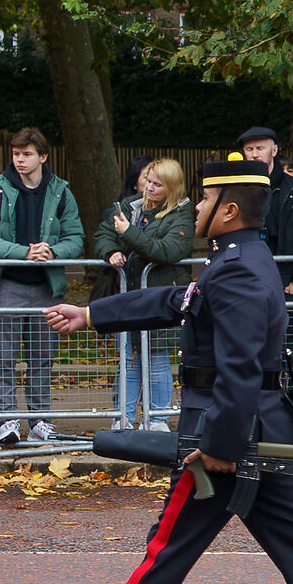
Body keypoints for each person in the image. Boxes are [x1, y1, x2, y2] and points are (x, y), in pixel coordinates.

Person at [37, 155, 293, 584]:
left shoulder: (236, 267)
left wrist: (218, 445)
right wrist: (92, 314)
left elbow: (238, 367)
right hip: (252, 426)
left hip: (229, 430)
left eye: (206, 201)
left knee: (169, 543)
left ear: (230, 209)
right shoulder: (242, 259)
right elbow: (175, 300)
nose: (195, 209)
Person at [0, 127, 84, 445]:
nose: (19, 160)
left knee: (41, 357)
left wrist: (52, 251)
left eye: (26, 154)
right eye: (16, 154)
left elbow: (76, 238)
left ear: (43, 156)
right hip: (6, 284)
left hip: (46, 287)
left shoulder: (61, 192)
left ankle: (39, 421)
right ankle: (6, 421)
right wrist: (25, 252)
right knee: (3, 357)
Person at [93, 157, 194, 428]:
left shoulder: (182, 213)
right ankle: (123, 418)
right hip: (129, 293)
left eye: (157, 184)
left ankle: (158, 419)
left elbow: (168, 251)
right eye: (148, 181)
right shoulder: (130, 205)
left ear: (171, 188)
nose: (148, 188)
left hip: (161, 298)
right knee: (128, 358)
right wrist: (110, 251)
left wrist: (127, 234)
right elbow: (104, 232)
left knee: (158, 360)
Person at [237, 127, 293, 299]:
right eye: (249, 149)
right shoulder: (236, 189)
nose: (254, 154)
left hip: (286, 279)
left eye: (260, 148)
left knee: (288, 325)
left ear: (274, 150)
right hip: (248, 277)